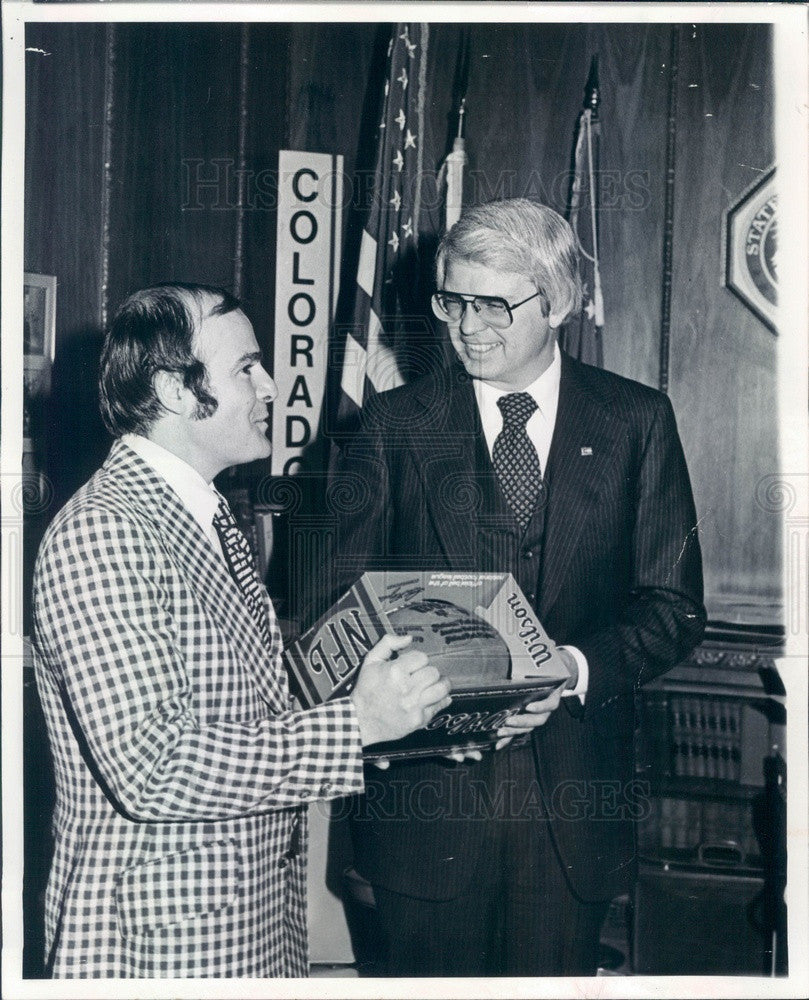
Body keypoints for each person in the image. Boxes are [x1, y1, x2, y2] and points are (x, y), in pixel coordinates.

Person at [328, 199, 706, 976]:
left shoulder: (636, 420)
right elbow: (333, 604)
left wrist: (572, 666)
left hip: (571, 815)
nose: (468, 326)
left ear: (558, 302)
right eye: (453, 301)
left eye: (493, 303)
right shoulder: (395, 425)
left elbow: (674, 608)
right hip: (424, 813)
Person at [31, 282, 451, 978]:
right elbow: (154, 768)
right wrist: (355, 727)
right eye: (246, 368)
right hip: (158, 951)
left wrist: (408, 727)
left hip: (243, 930)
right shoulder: (105, 531)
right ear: (171, 389)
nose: (271, 384)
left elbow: (252, 713)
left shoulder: (206, 514)